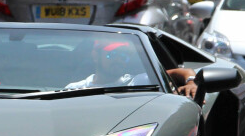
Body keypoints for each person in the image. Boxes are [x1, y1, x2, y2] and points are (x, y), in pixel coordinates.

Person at [64, 39, 198, 98]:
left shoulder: (141, 82)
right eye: (112, 54)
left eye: (124, 56)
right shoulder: (75, 89)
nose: (119, 60)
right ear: (95, 55)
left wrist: (191, 82)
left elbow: (182, 72)